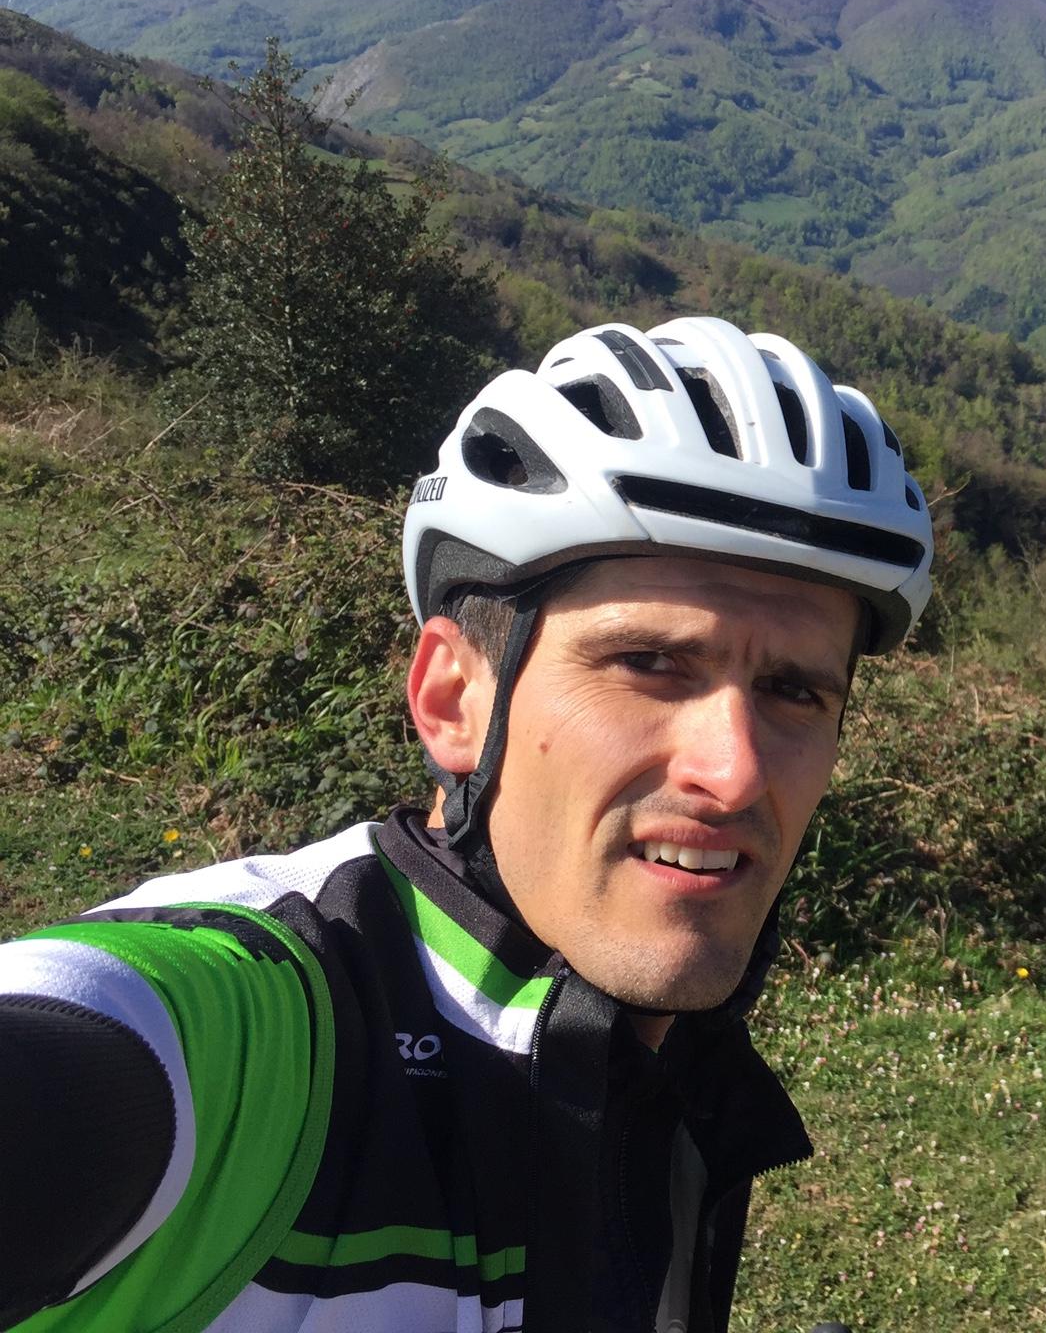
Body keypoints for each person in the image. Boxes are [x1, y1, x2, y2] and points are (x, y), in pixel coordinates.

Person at [0, 317, 933, 1332]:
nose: (736, 768)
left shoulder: (668, 1075)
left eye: (796, 691)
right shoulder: (261, 1028)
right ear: (452, 700)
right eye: (650, 664)